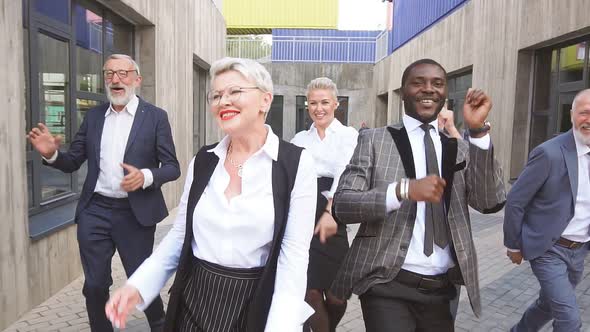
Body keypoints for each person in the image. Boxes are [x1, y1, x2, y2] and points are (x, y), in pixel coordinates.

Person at [104, 57, 317, 332]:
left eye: (235, 91)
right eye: (216, 95)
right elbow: (180, 236)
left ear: (265, 100)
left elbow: (293, 255)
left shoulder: (296, 163)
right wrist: (138, 286)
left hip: (257, 304)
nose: (223, 101)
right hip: (195, 300)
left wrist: (282, 326)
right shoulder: (204, 159)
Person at [330, 58, 506, 331]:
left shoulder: (458, 148)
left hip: (442, 287)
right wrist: (403, 190)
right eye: (418, 82)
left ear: (445, 93)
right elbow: (343, 204)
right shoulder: (375, 139)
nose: (428, 89)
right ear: (403, 92)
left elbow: (489, 202)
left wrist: (477, 132)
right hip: (386, 282)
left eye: (437, 83)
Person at [26, 54, 180, 331]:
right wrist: (51, 155)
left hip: (134, 214)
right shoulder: (95, 116)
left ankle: (159, 322)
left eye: (122, 73)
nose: (116, 80)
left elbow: (172, 167)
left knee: (140, 276)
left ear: (136, 79)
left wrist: (145, 176)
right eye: (109, 74)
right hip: (95, 210)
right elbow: (73, 160)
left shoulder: (155, 117)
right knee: (95, 283)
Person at [503, 89, 590, 332]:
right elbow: (516, 201)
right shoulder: (549, 153)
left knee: (548, 305)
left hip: (579, 250)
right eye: (585, 113)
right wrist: (513, 244)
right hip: (549, 249)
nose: (589, 120)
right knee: (569, 320)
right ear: (572, 115)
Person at [291, 77, 358, 332]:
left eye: (324, 102)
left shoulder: (348, 135)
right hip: (303, 213)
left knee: (338, 297)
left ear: (336, 104)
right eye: (313, 103)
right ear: (307, 105)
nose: (318, 108)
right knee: (311, 294)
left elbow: (344, 173)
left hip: (334, 211)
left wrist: (330, 211)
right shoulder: (299, 139)